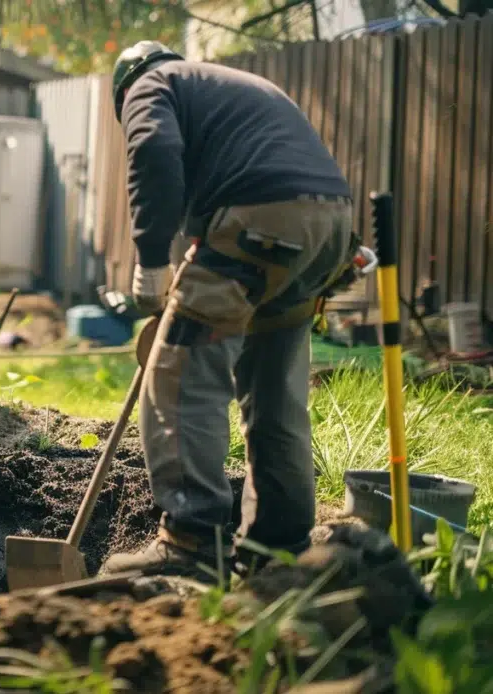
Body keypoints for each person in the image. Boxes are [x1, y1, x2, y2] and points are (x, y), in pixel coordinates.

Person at [97, 41, 363, 578]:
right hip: (329, 228)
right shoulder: (228, 88)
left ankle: (192, 541)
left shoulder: (153, 84)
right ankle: (276, 545)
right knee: (274, 390)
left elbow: (153, 150)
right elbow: (252, 166)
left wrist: (151, 260)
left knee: (179, 374)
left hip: (262, 224)